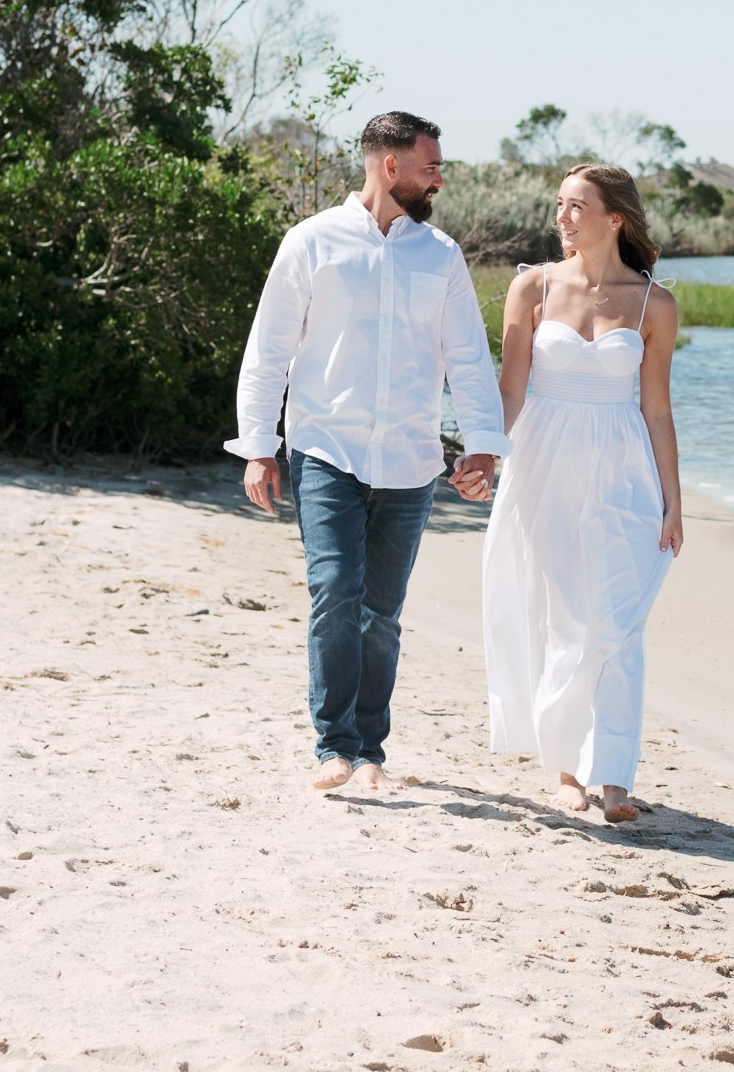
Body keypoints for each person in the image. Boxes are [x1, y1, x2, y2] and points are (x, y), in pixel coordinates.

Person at [228, 109, 508, 793]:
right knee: (334, 594)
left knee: (381, 613)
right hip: (326, 450)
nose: (438, 177)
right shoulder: (312, 242)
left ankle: (371, 747)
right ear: (391, 166)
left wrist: (483, 447)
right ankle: (334, 745)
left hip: (410, 462)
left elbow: (469, 358)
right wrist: (260, 447)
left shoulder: (438, 254)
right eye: (430, 165)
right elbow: (270, 349)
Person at [482, 163, 682, 823]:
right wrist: (483, 453)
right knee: (564, 615)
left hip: (624, 467)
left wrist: (672, 500)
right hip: (545, 462)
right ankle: (567, 770)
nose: (562, 217)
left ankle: (615, 775)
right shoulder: (531, 287)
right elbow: (511, 388)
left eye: (576, 205)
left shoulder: (655, 303)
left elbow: (656, 408)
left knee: (619, 621)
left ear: (614, 217)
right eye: (559, 204)